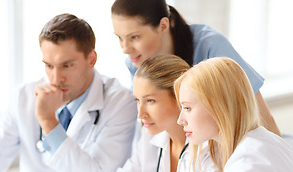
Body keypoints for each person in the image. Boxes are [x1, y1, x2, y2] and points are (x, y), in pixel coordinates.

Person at [0, 14, 137, 172]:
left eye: (67, 66)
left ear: (91, 59)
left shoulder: (121, 102)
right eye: (48, 66)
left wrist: (48, 122)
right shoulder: (24, 96)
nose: (55, 79)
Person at [110, 0, 281, 137]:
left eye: (134, 37)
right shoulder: (134, 62)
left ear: (163, 25)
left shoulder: (210, 46)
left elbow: (260, 115)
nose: (125, 48)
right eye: (119, 38)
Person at [169, 57, 293, 172]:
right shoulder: (263, 142)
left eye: (187, 108)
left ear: (218, 106)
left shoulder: (245, 164)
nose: (180, 120)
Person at [106, 55, 223, 172]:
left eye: (150, 101)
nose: (140, 114)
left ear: (180, 98)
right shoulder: (150, 136)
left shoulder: (211, 144)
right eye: (138, 100)